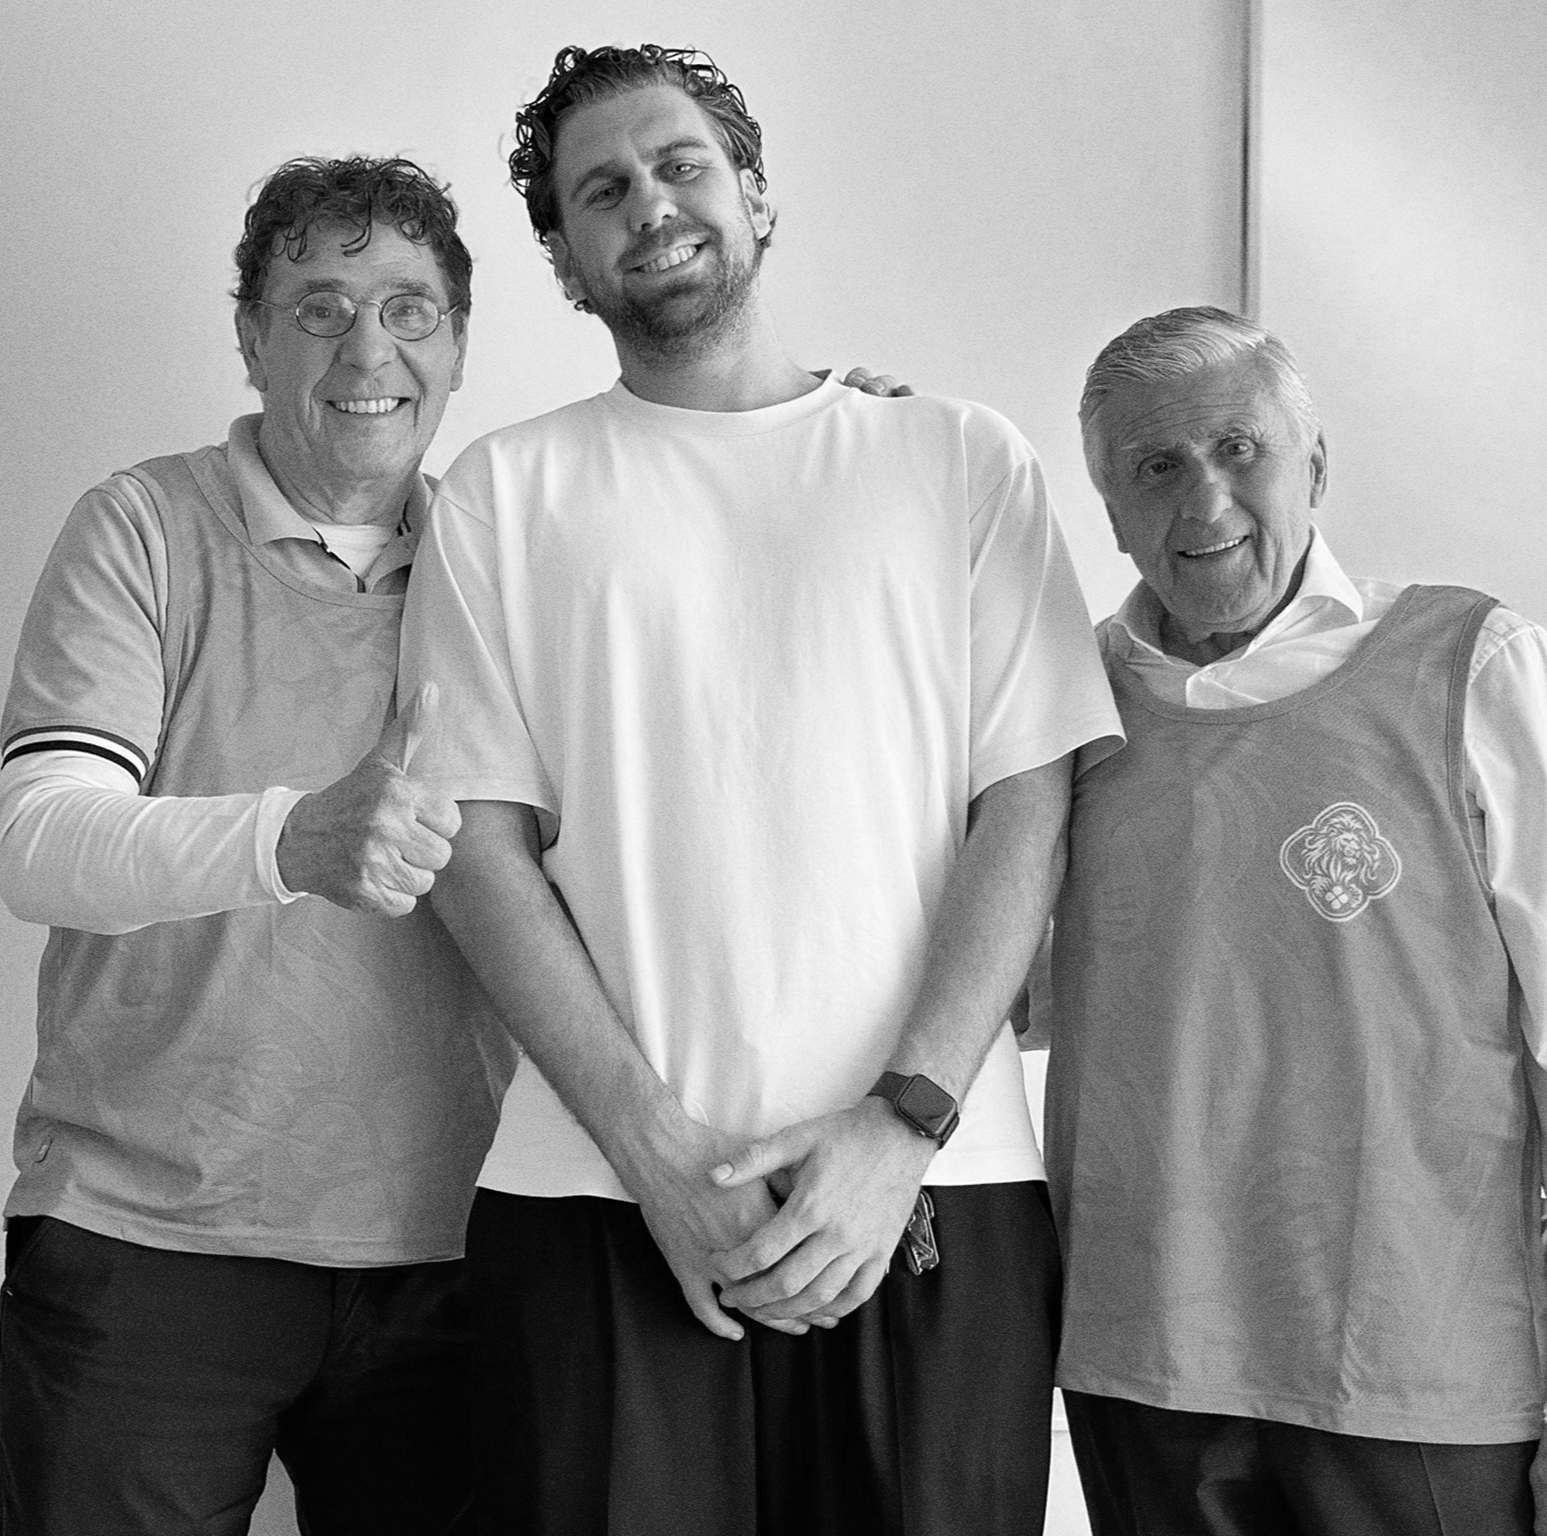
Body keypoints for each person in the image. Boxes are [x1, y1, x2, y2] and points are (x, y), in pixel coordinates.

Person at [396, 41, 1121, 1536]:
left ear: (756, 195)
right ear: (562, 255)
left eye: (681, 166)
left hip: (935, 1191)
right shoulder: (501, 494)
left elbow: (1026, 805)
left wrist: (900, 1125)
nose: (650, 205)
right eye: (601, 191)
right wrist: (658, 1156)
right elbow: (472, 848)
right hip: (597, 1200)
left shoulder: (955, 457)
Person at [0, 156, 521, 1536]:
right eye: (318, 309)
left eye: (408, 311)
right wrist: (292, 838)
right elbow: (36, 841)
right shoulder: (141, 527)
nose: (367, 352)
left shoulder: (509, 560)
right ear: (250, 336)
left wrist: (833, 446)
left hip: (453, 1250)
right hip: (142, 1240)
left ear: (458, 345)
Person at [1045, 304, 1547, 1536]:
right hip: (1141, 1363)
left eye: (1238, 450)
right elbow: (976, 991)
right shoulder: (1059, 710)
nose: (1202, 501)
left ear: (1312, 465)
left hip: (1417, 1366)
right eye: (1153, 468)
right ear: (1107, 510)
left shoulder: (1470, 665)